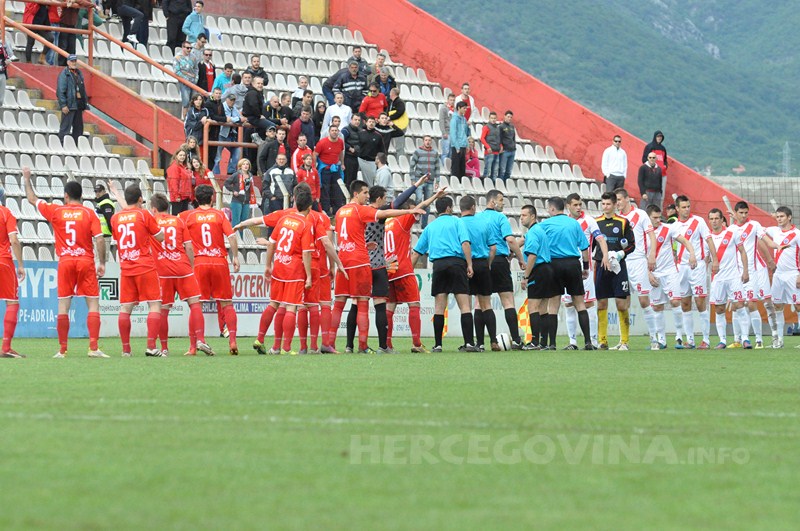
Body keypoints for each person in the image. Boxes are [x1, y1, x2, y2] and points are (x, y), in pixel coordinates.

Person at [328, 180, 421, 353]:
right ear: (357, 194)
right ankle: (377, 346)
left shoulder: (340, 212)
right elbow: (395, 205)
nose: (367, 195)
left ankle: (344, 345)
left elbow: (337, 232)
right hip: (373, 263)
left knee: (348, 304)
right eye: (364, 192)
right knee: (375, 304)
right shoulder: (367, 211)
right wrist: (410, 209)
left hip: (345, 260)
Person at [23, 167, 105, 358]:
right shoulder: (89, 213)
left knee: (63, 306)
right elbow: (100, 239)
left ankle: (62, 349)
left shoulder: (56, 211)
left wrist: (27, 179)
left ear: (66, 196)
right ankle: (93, 348)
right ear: (81, 196)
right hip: (85, 261)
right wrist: (102, 262)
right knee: (93, 303)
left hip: (66, 262)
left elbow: (32, 199)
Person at [411, 196, 477, 352]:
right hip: (456, 263)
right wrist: (469, 264)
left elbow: (416, 252)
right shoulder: (457, 222)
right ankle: (468, 343)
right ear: (448, 208)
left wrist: (408, 272)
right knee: (465, 306)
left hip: (439, 265)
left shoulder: (430, 227)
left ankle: (438, 344)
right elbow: (465, 243)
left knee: (439, 307)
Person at [183, 184, 240, 354]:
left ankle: (193, 346)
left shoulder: (189, 217)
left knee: (196, 305)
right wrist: (235, 257)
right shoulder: (219, 215)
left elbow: (186, 244)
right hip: (219, 262)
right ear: (212, 198)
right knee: (227, 303)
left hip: (200, 262)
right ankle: (232, 341)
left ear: (196, 198)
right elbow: (231, 236)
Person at [110, 185, 165, 357]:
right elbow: (160, 236)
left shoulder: (116, 218)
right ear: (141, 199)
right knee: (155, 304)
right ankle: (151, 346)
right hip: (145, 266)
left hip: (126, 268)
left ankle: (126, 349)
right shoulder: (144, 214)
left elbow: (118, 237)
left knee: (125, 308)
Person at [261, 189, 315, 355]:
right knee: (291, 308)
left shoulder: (284, 219)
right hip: (294, 270)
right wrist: (309, 276)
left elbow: (272, 242)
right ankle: (286, 348)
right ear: (309, 207)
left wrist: (268, 265)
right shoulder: (306, 224)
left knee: (274, 303)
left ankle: (263, 340)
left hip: (279, 266)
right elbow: (306, 252)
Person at [539, 197, 593, 349]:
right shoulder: (574, 223)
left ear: (552, 209)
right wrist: (586, 267)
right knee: (579, 303)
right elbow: (584, 248)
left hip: (554, 264)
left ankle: (552, 344)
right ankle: (588, 342)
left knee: (553, 304)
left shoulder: (546, 225)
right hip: (572, 263)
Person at [476, 190, 526, 348]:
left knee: (480, 303)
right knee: (508, 301)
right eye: (501, 200)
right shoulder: (500, 217)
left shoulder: (477, 218)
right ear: (492, 202)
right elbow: (510, 240)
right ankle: (517, 341)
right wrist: (520, 258)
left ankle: (482, 343)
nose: (503, 203)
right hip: (499, 261)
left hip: (483, 262)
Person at [728, 201, 781, 348]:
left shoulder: (754, 226)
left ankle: (767, 338)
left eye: (746, 213)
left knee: (762, 303)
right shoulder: (731, 229)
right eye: (741, 213)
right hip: (737, 271)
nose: (744, 216)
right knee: (736, 305)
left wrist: (774, 251)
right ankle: (738, 340)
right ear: (736, 212)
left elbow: (765, 243)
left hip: (756, 270)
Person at [561, 193, 609, 349]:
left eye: (580, 204)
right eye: (575, 205)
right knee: (569, 304)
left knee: (588, 303)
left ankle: (593, 341)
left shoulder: (589, 221)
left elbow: (600, 239)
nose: (578, 207)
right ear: (568, 206)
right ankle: (572, 342)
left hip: (584, 268)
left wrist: (605, 256)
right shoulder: (565, 222)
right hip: (567, 268)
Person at [646, 204, 697, 350]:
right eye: (654, 217)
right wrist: (648, 273)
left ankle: (679, 337)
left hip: (670, 272)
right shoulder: (643, 233)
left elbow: (685, 241)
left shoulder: (669, 228)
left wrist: (692, 254)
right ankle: (661, 340)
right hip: (653, 274)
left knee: (675, 302)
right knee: (656, 306)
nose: (657, 220)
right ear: (648, 217)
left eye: (658, 217)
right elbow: (641, 254)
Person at [672, 195, 719, 349]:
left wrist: (715, 260)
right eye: (683, 207)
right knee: (685, 303)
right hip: (682, 267)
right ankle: (690, 340)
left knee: (700, 302)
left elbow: (709, 240)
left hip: (697, 266)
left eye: (688, 206)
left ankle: (706, 339)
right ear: (677, 209)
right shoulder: (674, 226)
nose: (686, 209)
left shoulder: (698, 221)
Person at [615, 188, 658, 348]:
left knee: (644, 300)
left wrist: (652, 254)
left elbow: (651, 235)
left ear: (627, 199)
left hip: (638, 261)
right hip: (622, 263)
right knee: (622, 303)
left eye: (619, 199)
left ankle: (654, 339)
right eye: (616, 200)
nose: (617, 203)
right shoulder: (616, 218)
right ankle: (623, 342)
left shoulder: (640, 214)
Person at [593, 192, 636, 350]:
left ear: (615, 205)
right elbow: (592, 246)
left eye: (608, 204)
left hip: (619, 268)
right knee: (601, 303)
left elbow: (632, 244)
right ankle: (602, 340)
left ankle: (624, 341)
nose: (605, 207)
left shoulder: (623, 222)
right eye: (603, 204)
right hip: (601, 266)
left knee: (621, 304)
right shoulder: (596, 222)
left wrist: (620, 254)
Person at [706, 208, 751, 349]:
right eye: (711, 219)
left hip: (733, 277)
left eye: (716, 218)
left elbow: (743, 252)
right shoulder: (707, 237)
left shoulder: (732, 233)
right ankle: (722, 340)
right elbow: (706, 258)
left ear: (721, 219)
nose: (714, 221)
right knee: (719, 309)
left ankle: (745, 339)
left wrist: (745, 271)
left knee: (739, 306)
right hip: (718, 279)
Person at [520, 204, 560, 350]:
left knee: (533, 307)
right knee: (543, 308)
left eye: (524, 215)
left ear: (532, 216)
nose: (521, 218)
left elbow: (532, 256)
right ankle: (544, 342)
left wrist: (526, 276)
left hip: (539, 270)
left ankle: (534, 342)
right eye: (520, 215)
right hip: (548, 269)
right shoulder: (539, 230)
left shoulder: (533, 232)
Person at [460, 195, 497, 351]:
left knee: (467, 305)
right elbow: (493, 248)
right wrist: (487, 264)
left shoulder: (458, 223)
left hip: (464, 265)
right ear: (473, 207)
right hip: (482, 264)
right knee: (485, 304)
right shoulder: (483, 223)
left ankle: (473, 342)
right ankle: (493, 341)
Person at [764, 206, 800, 349]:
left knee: (798, 306)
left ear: (789, 217)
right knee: (777, 306)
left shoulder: (797, 234)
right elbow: (759, 231)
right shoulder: (774, 231)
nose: (779, 219)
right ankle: (779, 340)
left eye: (782, 217)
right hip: (778, 275)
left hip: (793, 274)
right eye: (777, 217)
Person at [0, 178, 24, 357]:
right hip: (3, 262)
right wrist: (21, 264)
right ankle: (6, 347)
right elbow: (14, 239)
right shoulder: (6, 213)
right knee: (12, 302)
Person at [314, 124, 346, 215]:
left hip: (335, 168)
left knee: (337, 189)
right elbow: (315, 154)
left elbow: (340, 153)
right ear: (329, 132)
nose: (334, 132)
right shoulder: (322, 142)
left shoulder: (340, 142)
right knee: (325, 190)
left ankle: (337, 210)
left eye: (336, 130)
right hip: (325, 169)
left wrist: (342, 163)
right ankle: (326, 211)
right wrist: (314, 166)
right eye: (333, 130)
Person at [56, 55, 88, 143]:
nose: (74, 63)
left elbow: (82, 89)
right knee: (65, 128)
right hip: (69, 105)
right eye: (72, 61)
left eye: (75, 61)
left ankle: (76, 145)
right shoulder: (64, 74)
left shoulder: (79, 73)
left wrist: (84, 104)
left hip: (78, 104)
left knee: (78, 128)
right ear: (68, 62)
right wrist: (63, 105)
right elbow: (60, 91)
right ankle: (61, 145)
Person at [410, 135, 440, 229]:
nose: (428, 142)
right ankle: (416, 218)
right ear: (423, 141)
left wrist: (437, 180)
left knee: (428, 203)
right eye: (426, 140)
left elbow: (437, 168)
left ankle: (424, 224)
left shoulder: (435, 153)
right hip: (420, 179)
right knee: (418, 199)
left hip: (430, 181)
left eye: (429, 140)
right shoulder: (417, 152)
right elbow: (412, 165)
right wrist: (412, 179)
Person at [213, 93, 241, 176]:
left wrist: (236, 119)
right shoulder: (222, 106)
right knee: (217, 156)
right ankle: (216, 174)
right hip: (221, 134)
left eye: (233, 100)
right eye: (230, 100)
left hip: (231, 134)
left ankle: (231, 171)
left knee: (237, 151)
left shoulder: (234, 108)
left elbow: (238, 118)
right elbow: (227, 118)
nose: (232, 102)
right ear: (227, 99)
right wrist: (237, 119)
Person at [224, 158, 255, 231]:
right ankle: (235, 237)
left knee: (244, 221)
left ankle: (242, 238)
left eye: (247, 164)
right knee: (236, 221)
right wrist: (233, 190)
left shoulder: (250, 175)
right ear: (240, 166)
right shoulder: (236, 175)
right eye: (243, 164)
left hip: (246, 201)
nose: (245, 166)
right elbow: (226, 183)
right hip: (237, 200)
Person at [173, 42, 199, 120]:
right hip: (184, 82)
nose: (189, 50)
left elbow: (196, 69)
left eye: (190, 48)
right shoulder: (177, 57)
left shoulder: (193, 57)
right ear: (183, 48)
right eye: (188, 48)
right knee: (186, 101)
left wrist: (196, 78)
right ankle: (185, 119)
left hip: (193, 81)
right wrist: (186, 78)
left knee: (193, 100)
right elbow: (176, 71)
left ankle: (191, 118)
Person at [642, 131, 668, 199]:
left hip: (662, 174)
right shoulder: (649, 147)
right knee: (650, 194)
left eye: (661, 137)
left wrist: (665, 167)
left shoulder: (663, 148)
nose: (659, 138)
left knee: (661, 196)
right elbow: (644, 159)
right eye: (658, 136)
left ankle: (659, 209)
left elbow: (665, 160)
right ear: (655, 137)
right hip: (652, 174)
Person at [357, 116, 383, 184]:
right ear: (366, 123)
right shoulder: (360, 134)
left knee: (370, 182)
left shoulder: (378, 136)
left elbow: (381, 150)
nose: (371, 123)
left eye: (373, 122)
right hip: (360, 159)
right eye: (370, 122)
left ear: (375, 123)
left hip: (371, 162)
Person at [166, 148, 192, 215]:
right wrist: (176, 196)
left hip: (185, 196)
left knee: (183, 217)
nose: (182, 157)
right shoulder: (174, 167)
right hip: (178, 197)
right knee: (177, 216)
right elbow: (173, 182)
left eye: (184, 155)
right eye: (180, 155)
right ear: (176, 156)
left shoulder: (184, 167)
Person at [341, 114, 362, 187]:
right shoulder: (345, 130)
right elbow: (341, 141)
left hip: (356, 157)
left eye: (359, 120)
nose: (357, 122)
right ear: (351, 120)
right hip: (348, 157)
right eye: (355, 120)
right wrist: (349, 148)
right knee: (348, 179)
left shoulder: (360, 130)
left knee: (354, 179)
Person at [480, 112, 502, 181]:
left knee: (495, 170)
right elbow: (482, 138)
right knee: (488, 169)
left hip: (496, 151)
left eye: (494, 118)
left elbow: (499, 139)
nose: (493, 119)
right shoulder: (486, 127)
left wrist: (501, 146)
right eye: (492, 118)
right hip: (489, 152)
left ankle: (493, 184)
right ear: (489, 118)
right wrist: (488, 147)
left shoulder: (498, 128)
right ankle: (484, 182)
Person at [450, 101, 469, 178]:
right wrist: (457, 146)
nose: (465, 110)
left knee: (462, 167)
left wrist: (467, 144)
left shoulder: (464, 119)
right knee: (456, 167)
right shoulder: (454, 119)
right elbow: (453, 134)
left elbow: (465, 133)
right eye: (464, 108)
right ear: (459, 108)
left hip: (463, 145)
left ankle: (461, 183)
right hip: (457, 146)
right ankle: (455, 183)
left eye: (466, 108)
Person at [386, 87, 408, 153]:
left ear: (392, 93)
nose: (389, 95)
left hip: (399, 125)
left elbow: (400, 112)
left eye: (390, 93)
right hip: (392, 125)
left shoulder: (400, 102)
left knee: (399, 144)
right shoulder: (390, 102)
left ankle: (400, 159)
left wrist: (390, 117)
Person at [498, 111, 517, 182]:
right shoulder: (501, 127)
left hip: (512, 150)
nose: (509, 118)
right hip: (505, 151)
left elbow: (513, 138)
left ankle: (506, 184)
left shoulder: (512, 127)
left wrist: (514, 146)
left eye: (511, 117)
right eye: (508, 116)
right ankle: (500, 183)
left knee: (509, 170)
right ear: (504, 116)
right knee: (502, 169)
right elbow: (499, 138)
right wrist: (501, 146)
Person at [438, 93, 455, 166]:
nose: (452, 102)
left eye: (453, 100)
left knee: (451, 152)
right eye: (451, 100)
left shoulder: (455, 109)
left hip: (453, 133)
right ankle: (443, 166)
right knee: (446, 151)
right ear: (448, 100)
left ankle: (448, 167)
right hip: (447, 132)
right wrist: (443, 132)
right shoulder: (443, 108)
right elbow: (441, 120)